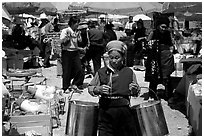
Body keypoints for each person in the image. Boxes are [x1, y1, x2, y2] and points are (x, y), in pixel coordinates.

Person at [88, 40, 140, 136]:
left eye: (117, 58)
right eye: (111, 58)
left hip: (124, 112)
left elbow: (136, 92)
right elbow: (90, 88)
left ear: (123, 57)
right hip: (105, 112)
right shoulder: (101, 72)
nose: (114, 61)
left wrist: (134, 89)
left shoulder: (128, 72)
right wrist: (98, 89)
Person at [145, 16, 175, 100]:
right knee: (154, 76)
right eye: (162, 27)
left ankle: (168, 94)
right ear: (158, 26)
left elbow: (171, 44)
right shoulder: (153, 33)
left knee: (167, 76)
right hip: (155, 57)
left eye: (165, 27)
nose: (164, 29)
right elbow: (147, 44)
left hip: (166, 57)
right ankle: (152, 93)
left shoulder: (168, 33)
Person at [60, 16, 85, 92]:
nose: (77, 25)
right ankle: (65, 87)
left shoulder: (77, 31)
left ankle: (75, 83)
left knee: (79, 69)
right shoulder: (66, 31)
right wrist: (68, 37)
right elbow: (62, 42)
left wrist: (79, 37)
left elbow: (79, 42)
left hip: (75, 52)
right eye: (76, 23)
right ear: (72, 23)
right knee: (67, 70)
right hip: (67, 52)